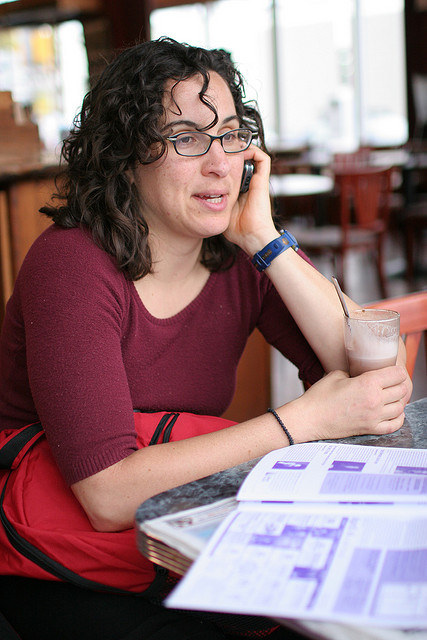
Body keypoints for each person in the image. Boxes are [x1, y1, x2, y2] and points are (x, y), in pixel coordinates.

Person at [0, 37, 412, 640]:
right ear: (125, 153)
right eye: (187, 138)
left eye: (231, 135)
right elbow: (106, 495)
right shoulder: (71, 265)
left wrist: (266, 240)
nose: (221, 163)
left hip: (178, 524)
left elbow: (379, 371)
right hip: (60, 557)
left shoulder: (241, 254)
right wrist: (302, 421)